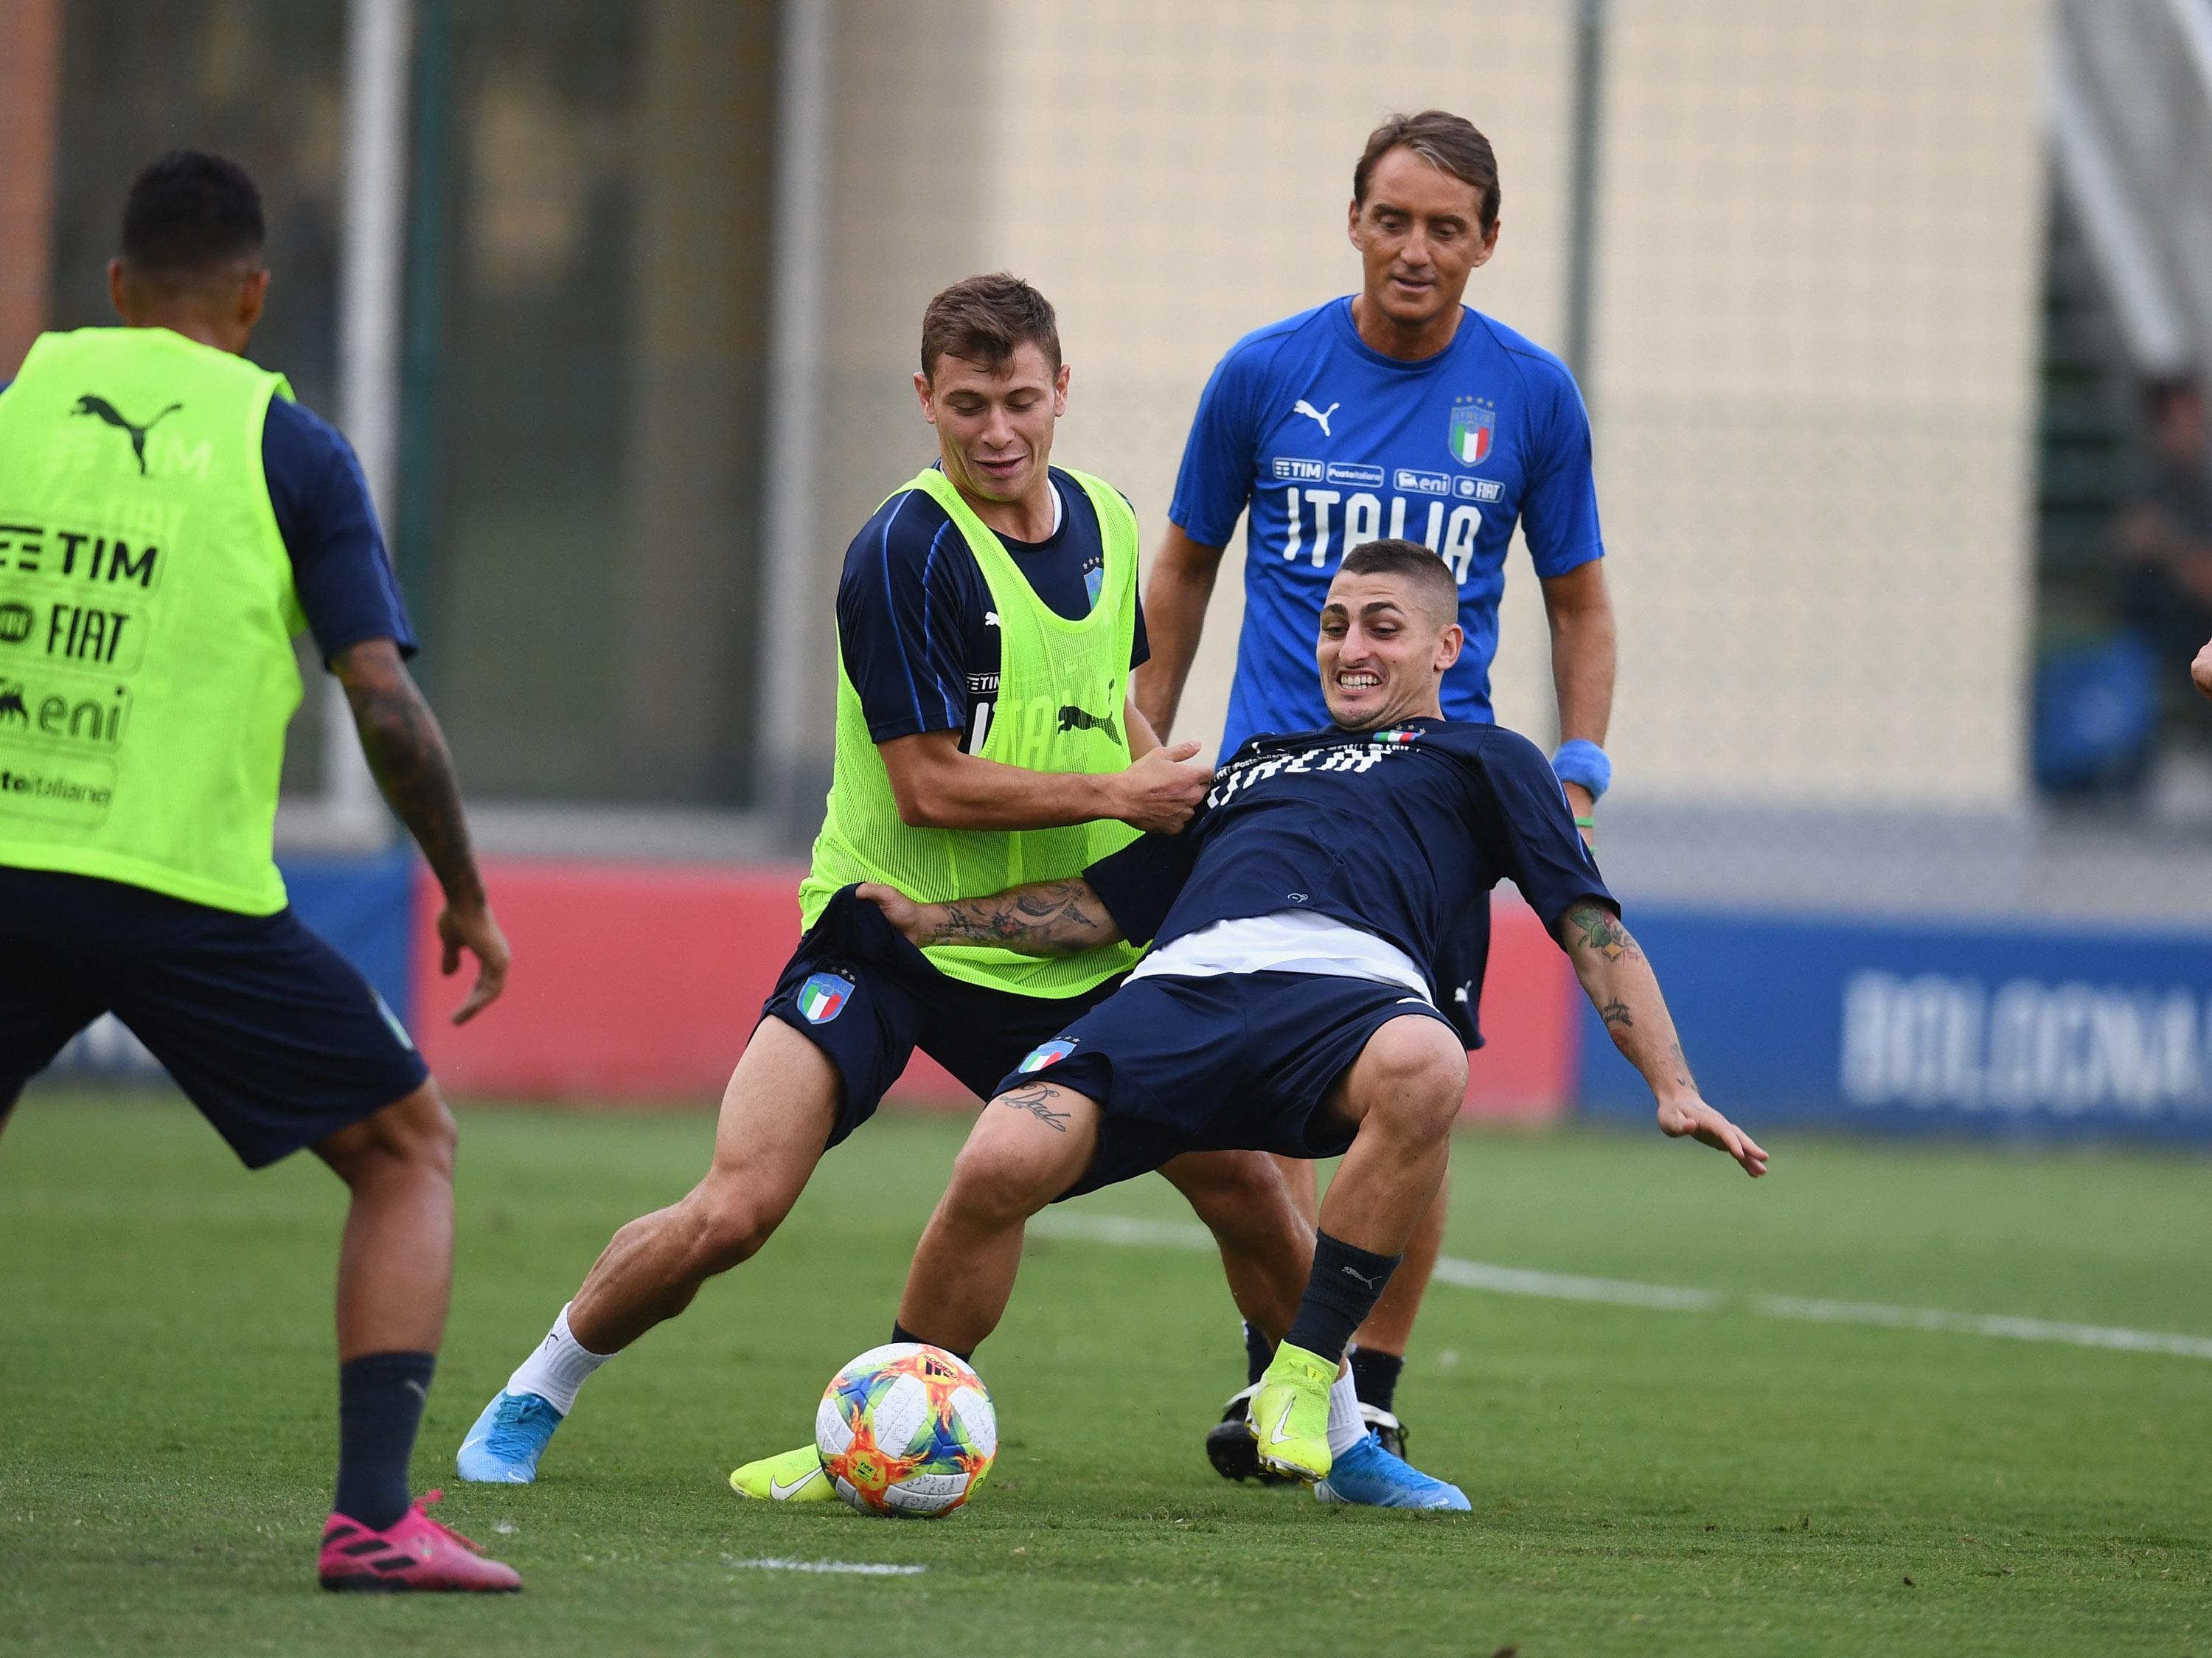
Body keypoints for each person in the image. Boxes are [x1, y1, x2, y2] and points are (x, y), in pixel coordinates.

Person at [458, 275, 1456, 1505]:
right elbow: (926, 786)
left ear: (1062, 394)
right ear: (925, 399)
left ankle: (1348, 1447)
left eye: (1022, 402)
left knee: (1251, 1184)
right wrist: (1117, 803)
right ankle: (533, 1393)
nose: (998, 432)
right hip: (886, 935)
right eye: (969, 404)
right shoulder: (902, 551)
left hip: (1064, 950)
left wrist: (1161, 776)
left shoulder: (1106, 517)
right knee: (737, 1206)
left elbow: (1113, 700)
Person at [765, 539, 1762, 1505]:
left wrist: (1672, 1085)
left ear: (1445, 649)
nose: (1350, 646)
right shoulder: (1255, 764)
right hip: (1175, 995)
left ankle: (1308, 1384)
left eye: (1383, 626)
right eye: (1333, 626)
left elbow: (1589, 921)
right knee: (995, 1163)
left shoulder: (1489, 758)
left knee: (1428, 1065)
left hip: (1348, 999)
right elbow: (1102, 907)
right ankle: (866, 1439)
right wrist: (930, 920)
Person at [0, 152, 518, 1592]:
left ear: (114, 287)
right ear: (253, 295)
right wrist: (462, 890)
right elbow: (385, 706)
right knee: (408, 1150)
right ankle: (371, 1518)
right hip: (180, 893)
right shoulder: (285, 443)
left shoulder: (13, 412)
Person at [1133, 108, 1619, 1475]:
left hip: (1430, 805)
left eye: (1445, 228)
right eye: (1393, 219)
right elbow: (1184, 563)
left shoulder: (1529, 395)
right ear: (1354, 220)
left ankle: (1374, 1389)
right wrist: (1147, 739)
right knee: (1249, 1091)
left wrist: (1576, 766)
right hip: (1265, 786)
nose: (1416, 250)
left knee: (1416, 1085)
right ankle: (1283, 1377)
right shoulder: (1264, 374)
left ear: (1488, 242)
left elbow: (1579, 602)